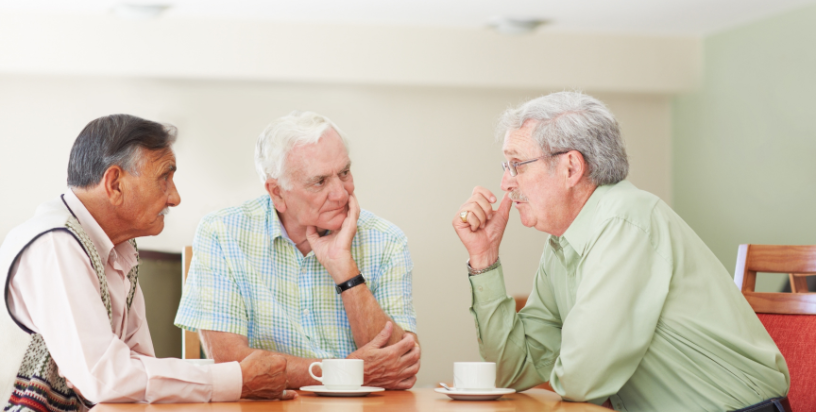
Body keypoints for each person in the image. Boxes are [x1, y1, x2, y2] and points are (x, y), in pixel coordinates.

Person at [452, 92, 790, 412]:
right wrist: (485, 258)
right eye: (506, 166)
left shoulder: (626, 220)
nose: (506, 183)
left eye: (517, 165)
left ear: (571, 168)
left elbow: (582, 380)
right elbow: (511, 371)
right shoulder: (562, 243)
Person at [0, 115, 295, 412]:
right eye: (164, 178)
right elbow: (105, 378)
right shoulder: (56, 244)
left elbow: (139, 370)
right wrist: (236, 380)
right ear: (115, 184)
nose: (175, 198)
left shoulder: (119, 248)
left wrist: (234, 381)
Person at [174, 111, 420, 389]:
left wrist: (344, 267)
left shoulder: (387, 240)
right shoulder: (222, 233)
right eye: (320, 182)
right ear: (277, 193)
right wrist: (345, 373)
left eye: (344, 173)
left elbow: (401, 365)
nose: (341, 194)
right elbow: (231, 362)